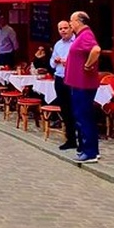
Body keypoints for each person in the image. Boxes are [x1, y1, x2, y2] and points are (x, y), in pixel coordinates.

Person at [66, 11, 102, 163]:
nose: (70, 23)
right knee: (85, 116)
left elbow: (96, 50)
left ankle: (90, 152)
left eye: (71, 20)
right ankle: (92, 149)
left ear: (79, 22)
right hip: (79, 83)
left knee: (83, 116)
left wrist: (88, 66)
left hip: (83, 84)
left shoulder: (86, 34)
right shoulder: (81, 36)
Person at [50, 20, 77, 151]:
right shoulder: (58, 45)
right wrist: (55, 61)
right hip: (60, 78)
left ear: (71, 28)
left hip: (73, 79)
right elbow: (51, 63)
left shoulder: (76, 43)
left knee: (75, 109)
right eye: (61, 29)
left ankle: (81, 139)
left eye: (66, 28)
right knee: (65, 110)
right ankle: (70, 139)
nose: (63, 31)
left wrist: (70, 63)